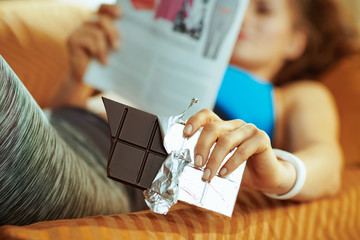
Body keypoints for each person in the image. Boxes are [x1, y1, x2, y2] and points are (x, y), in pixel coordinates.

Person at [0, 0, 356, 226]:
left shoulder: (294, 96)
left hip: (117, 178)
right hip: (56, 129)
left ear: (296, 40)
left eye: (262, 8)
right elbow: (65, 119)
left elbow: (328, 162)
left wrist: (279, 173)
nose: (241, 15)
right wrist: (80, 73)